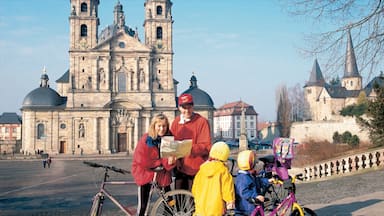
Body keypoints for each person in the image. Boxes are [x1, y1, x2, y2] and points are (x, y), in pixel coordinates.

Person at [131, 113, 177, 216]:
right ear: (154, 126)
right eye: (159, 126)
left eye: (164, 126)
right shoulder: (146, 140)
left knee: (170, 202)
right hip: (145, 174)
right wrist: (160, 162)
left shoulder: (168, 139)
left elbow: (168, 164)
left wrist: (171, 162)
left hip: (162, 175)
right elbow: (141, 160)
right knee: (144, 205)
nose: (162, 128)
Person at [171, 93, 212, 191]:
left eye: (189, 107)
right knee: (179, 200)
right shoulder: (176, 122)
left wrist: (188, 148)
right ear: (179, 108)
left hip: (196, 168)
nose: (187, 110)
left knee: (193, 201)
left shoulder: (202, 122)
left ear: (193, 106)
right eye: (184, 108)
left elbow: (206, 146)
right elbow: (171, 142)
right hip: (180, 168)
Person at [192, 141, 235, 216]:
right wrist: (230, 204)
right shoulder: (223, 171)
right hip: (216, 209)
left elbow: (195, 189)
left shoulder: (202, 169)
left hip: (201, 208)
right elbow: (227, 190)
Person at [235, 150, 270, 215]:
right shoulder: (243, 178)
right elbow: (243, 191)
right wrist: (255, 197)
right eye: (254, 163)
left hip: (252, 207)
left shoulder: (250, 175)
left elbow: (258, 181)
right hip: (246, 210)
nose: (255, 165)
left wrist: (268, 181)